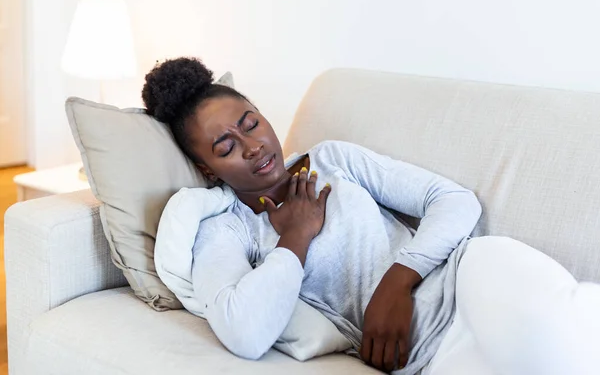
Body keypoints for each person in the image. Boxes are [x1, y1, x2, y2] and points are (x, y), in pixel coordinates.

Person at [142, 57, 600, 375]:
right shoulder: (225, 230)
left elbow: (454, 199)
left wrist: (400, 278)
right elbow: (243, 332)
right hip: (428, 358)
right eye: (226, 147)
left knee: (569, 339)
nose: (253, 146)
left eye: (250, 123)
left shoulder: (331, 160)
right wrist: (295, 238)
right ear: (206, 168)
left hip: (473, 278)